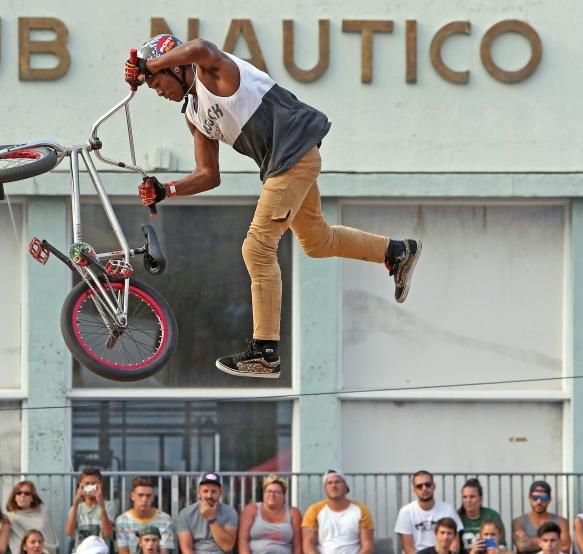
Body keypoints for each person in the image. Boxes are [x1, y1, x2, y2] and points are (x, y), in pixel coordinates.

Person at [125, 34, 423, 379]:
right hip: (288, 162)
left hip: (293, 155)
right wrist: (167, 189)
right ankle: (397, 252)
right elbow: (208, 174)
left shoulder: (213, 74)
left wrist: (149, 63)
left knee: (257, 247)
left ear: (175, 66)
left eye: (157, 81)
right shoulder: (193, 114)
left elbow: (202, 48)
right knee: (317, 241)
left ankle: (264, 352)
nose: (156, 89)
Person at [114, 478, 176, 554]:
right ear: (133, 496)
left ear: (153, 497)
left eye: (148, 495)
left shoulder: (165, 519)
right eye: (140, 495)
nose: (144, 499)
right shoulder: (122, 520)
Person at [513, 481, 571, 554]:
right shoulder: (519, 521)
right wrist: (553, 543)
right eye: (535, 498)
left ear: (549, 499)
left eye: (543, 498)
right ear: (529, 498)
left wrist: (530, 540)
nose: (539, 502)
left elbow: (565, 547)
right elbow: (522, 546)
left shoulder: (561, 521)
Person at [66, 469, 120, 548]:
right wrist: (76, 502)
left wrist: (101, 504)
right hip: (80, 551)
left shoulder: (109, 505)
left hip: (101, 552)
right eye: (87, 484)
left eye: (93, 484)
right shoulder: (76, 507)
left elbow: (107, 533)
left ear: (100, 484)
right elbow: (69, 532)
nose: (90, 487)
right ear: (81, 485)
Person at [4, 482, 59, 554]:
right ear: (14, 497)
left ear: (32, 498)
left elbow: (49, 537)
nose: (22, 495)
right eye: (19, 493)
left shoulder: (43, 511)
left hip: (45, 552)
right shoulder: (10, 517)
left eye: (27, 493)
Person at [458, 479, 506, 554]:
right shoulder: (458, 517)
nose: (468, 500)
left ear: (480, 499)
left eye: (472, 497)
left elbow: (501, 544)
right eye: (464, 497)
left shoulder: (491, 515)